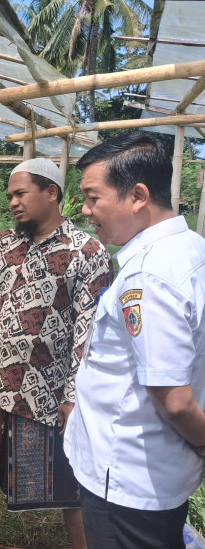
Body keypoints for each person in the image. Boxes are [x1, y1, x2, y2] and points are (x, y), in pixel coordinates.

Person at [0, 158, 112, 546]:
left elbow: (88, 332)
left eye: (20, 194)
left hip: (47, 387)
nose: (13, 202)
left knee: (69, 472)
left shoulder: (86, 251)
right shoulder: (4, 244)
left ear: (51, 193)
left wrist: (73, 396)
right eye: (9, 196)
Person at [65, 131, 205, 549]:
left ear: (138, 196)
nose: (85, 210)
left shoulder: (149, 276)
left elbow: (174, 399)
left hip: (126, 478)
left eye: (92, 197)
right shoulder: (191, 249)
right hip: (159, 470)